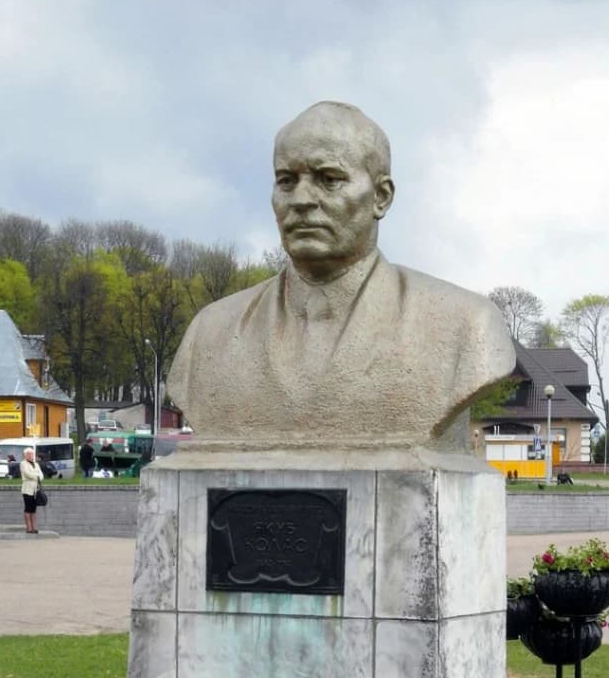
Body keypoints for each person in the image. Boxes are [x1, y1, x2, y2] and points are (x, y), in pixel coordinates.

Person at [168, 101, 515, 449]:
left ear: (381, 197)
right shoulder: (210, 335)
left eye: (329, 180)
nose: (301, 199)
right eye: (286, 181)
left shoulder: (466, 327)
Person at [20, 446, 44, 534]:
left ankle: (34, 527)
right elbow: (28, 474)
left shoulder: (36, 464)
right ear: (25, 455)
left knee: (34, 509)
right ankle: (29, 528)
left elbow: (41, 475)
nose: (31, 455)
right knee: (28, 508)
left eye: (32, 454)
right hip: (27, 489)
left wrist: (37, 476)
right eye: (29, 454)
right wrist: (36, 475)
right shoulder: (23, 463)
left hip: (35, 490)